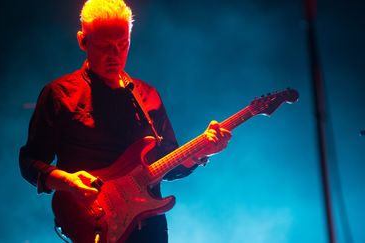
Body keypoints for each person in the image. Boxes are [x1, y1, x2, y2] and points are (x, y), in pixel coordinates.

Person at [19, 0, 232, 242]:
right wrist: (67, 181)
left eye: (122, 45)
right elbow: (29, 162)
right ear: (83, 41)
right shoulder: (59, 94)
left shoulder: (147, 95)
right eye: (104, 47)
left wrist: (197, 153)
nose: (115, 55)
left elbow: (168, 165)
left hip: (150, 228)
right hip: (94, 224)